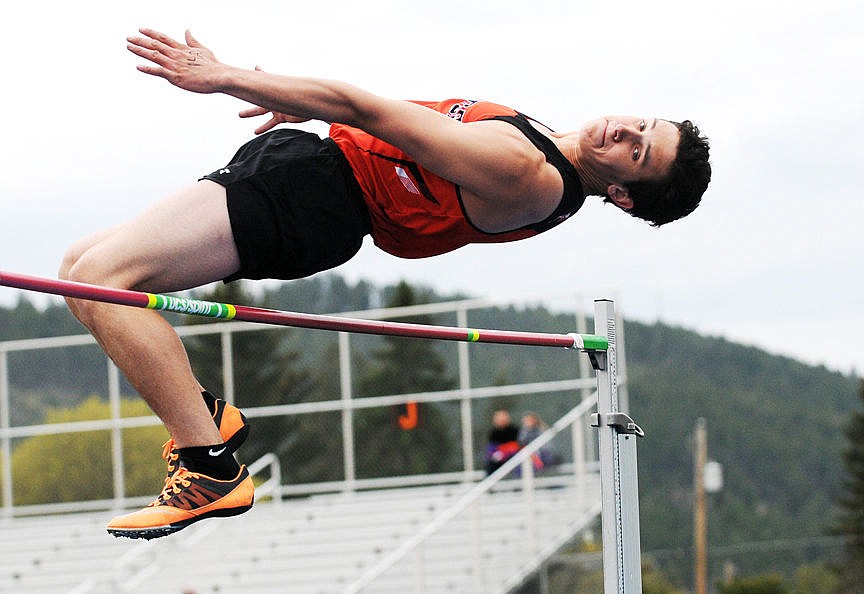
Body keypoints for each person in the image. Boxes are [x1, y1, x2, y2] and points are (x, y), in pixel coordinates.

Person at [60, 28, 711, 540]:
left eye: (637, 151)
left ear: (623, 193)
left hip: (314, 197)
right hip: (313, 175)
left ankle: (210, 467)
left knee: (101, 282)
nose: (625, 130)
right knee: (77, 269)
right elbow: (395, 121)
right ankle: (209, 420)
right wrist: (288, 99)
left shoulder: (529, 172)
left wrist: (228, 76)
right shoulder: (549, 146)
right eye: (643, 124)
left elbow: (364, 109)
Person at [484, 410, 521, 475]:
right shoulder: (493, 433)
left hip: (513, 457)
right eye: (499, 419)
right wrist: (496, 454)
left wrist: (505, 452)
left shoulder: (514, 430)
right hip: (499, 459)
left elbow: (517, 445)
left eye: (503, 419)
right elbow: (491, 448)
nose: (501, 421)